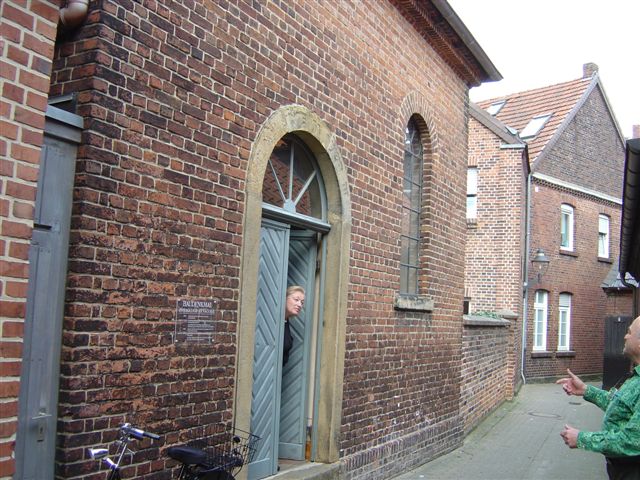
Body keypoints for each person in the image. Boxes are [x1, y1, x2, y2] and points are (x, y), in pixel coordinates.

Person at [556, 315, 640, 480]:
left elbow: (632, 440)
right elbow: (620, 405)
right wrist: (586, 390)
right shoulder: (636, 377)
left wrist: (581, 438)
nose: (625, 336)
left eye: (629, 332)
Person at [282, 286, 305, 365]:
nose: (299, 305)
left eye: (302, 302)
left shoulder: (286, 321)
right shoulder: (273, 321)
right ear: (285, 298)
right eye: (296, 300)